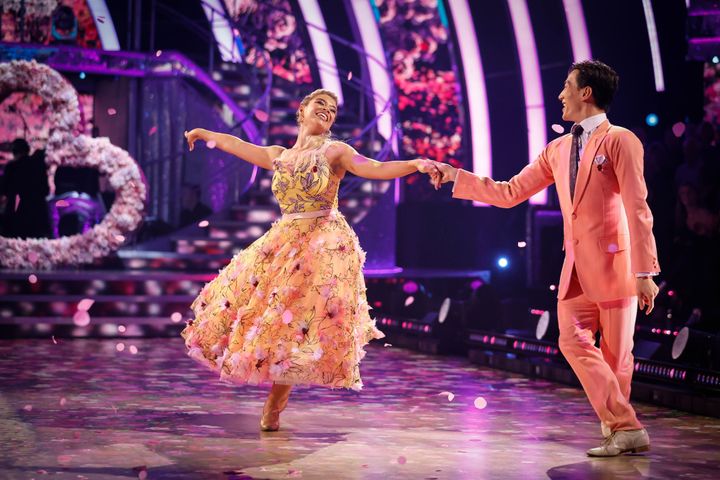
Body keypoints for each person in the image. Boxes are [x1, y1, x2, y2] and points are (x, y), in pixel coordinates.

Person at [429, 60, 660, 457]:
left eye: (567, 86)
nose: (560, 96)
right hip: (575, 270)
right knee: (571, 341)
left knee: (617, 358)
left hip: (618, 264)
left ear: (586, 92)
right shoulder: (557, 148)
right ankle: (627, 427)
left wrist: (644, 271)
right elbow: (508, 192)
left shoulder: (621, 140)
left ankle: (618, 432)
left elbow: (638, 207)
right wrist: (456, 176)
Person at [181, 89, 438, 432]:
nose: (328, 112)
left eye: (333, 109)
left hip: (321, 242)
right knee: (266, 316)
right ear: (302, 110)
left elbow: (374, 168)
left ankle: (276, 401)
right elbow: (238, 145)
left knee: (295, 317)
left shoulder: (336, 151)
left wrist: (415, 164)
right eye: (321, 105)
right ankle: (275, 392)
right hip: (285, 239)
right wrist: (206, 134)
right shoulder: (279, 155)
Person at [1, 139, 52, 238]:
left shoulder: (11, 167)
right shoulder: (38, 165)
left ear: (14, 151)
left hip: (16, 219)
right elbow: (45, 190)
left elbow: (4, 190)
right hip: (38, 218)